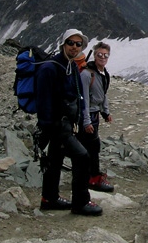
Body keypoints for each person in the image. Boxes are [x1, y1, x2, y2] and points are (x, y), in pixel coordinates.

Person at [35, 29, 102, 216]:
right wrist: (48, 125)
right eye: (70, 43)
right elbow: (43, 100)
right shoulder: (50, 68)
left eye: (78, 44)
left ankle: (49, 199)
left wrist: (79, 120)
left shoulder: (71, 66)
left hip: (65, 124)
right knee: (82, 157)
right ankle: (80, 203)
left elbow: (77, 97)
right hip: (57, 125)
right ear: (63, 44)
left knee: (54, 160)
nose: (74, 47)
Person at [77, 42, 114, 192]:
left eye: (105, 55)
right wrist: (86, 121)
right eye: (99, 54)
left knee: (92, 146)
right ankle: (92, 178)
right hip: (88, 116)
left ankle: (89, 176)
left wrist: (106, 112)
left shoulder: (103, 74)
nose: (102, 57)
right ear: (94, 55)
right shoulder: (87, 74)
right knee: (91, 147)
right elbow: (83, 99)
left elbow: (103, 94)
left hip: (95, 115)